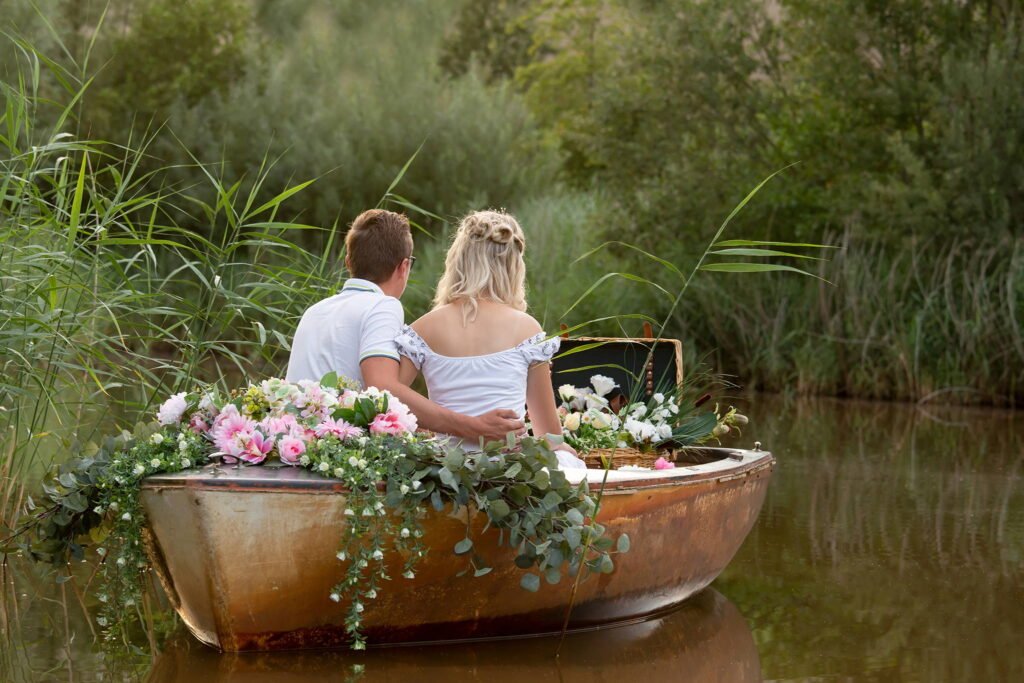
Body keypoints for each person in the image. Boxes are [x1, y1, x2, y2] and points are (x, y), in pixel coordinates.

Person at [285, 208, 524, 443]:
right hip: (340, 452)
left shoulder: (314, 311)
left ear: (348, 261)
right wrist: (473, 427)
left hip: (296, 443)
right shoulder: (382, 306)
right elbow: (383, 388)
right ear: (404, 266)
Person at [395, 210, 585, 468]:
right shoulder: (526, 329)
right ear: (514, 267)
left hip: (446, 470)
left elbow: (392, 400)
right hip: (509, 470)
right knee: (566, 460)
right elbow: (548, 436)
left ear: (458, 261)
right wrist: (567, 451)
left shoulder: (424, 328)